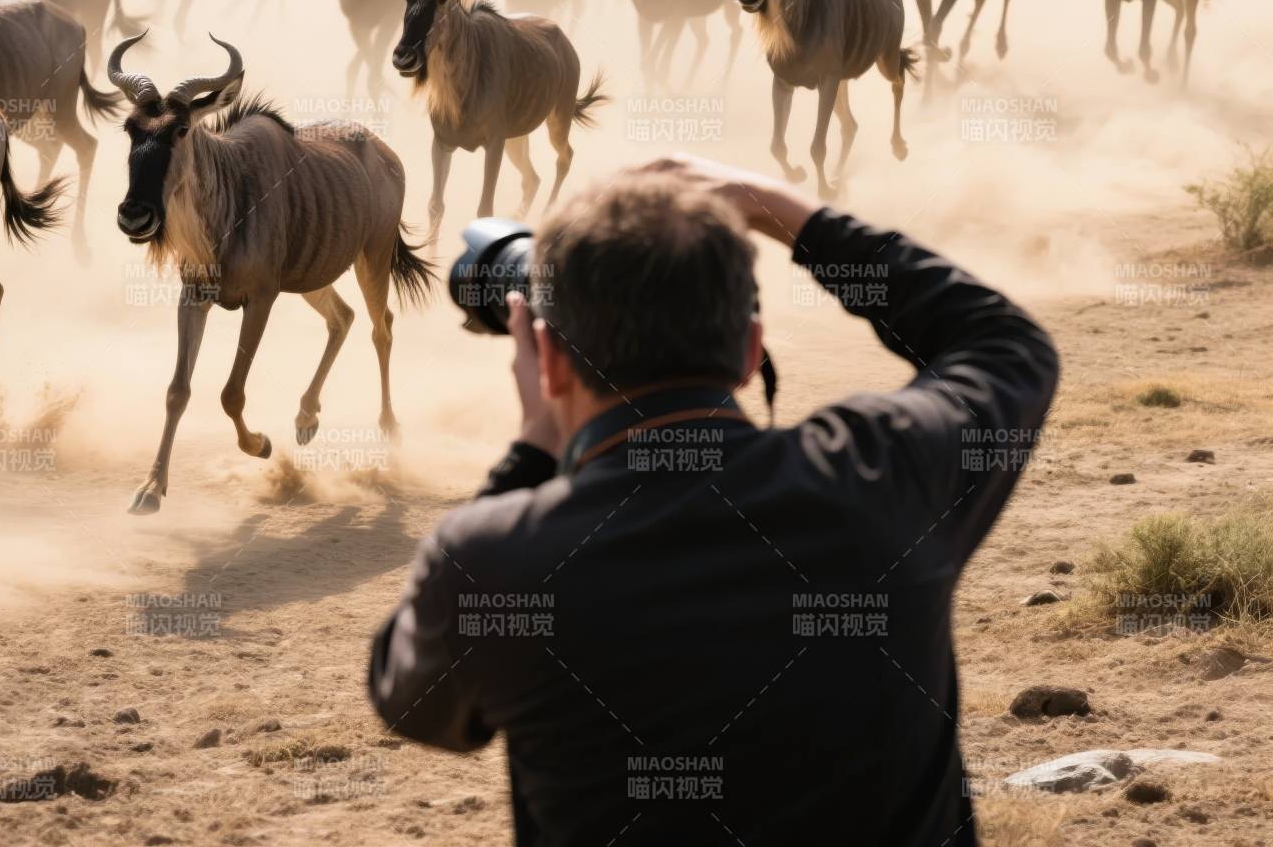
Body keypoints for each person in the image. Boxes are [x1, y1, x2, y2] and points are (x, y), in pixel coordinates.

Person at [368, 154, 1060, 846]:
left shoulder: (495, 565)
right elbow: (1005, 344)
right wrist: (779, 208)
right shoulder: (878, 478)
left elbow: (409, 702)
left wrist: (530, 456)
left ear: (546, 362)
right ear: (751, 348)